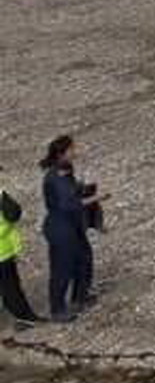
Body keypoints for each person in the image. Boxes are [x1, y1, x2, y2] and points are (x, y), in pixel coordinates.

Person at [39, 136, 97, 322]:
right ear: (61, 153)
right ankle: (57, 310)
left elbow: (71, 193)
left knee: (84, 259)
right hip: (60, 228)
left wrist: (83, 188)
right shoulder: (55, 177)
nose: (75, 151)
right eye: (72, 149)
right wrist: (96, 198)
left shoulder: (66, 170)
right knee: (62, 268)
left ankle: (80, 297)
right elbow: (68, 204)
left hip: (72, 225)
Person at [1, 177, 39, 327]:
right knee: (10, 287)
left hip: (4, 250)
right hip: (2, 252)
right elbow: (14, 213)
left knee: (9, 286)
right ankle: (24, 317)